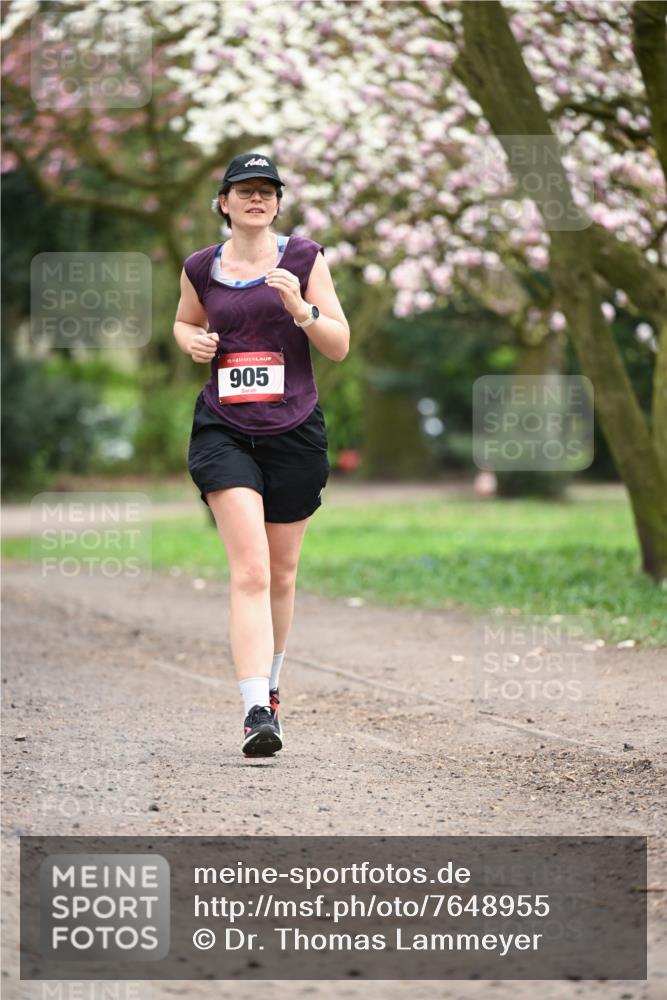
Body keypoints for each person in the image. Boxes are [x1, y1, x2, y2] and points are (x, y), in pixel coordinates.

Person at [173, 152, 350, 758]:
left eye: (267, 191)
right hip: (223, 429)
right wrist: (192, 341)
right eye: (244, 190)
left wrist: (304, 311)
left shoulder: (304, 258)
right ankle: (254, 710)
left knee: (280, 573)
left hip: (295, 429)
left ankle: (270, 690)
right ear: (223, 202)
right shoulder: (200, 267)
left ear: (278, 202)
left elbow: (340, 344)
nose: (257, 199)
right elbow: (182, 322)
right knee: (249, 569)